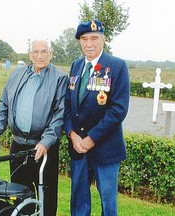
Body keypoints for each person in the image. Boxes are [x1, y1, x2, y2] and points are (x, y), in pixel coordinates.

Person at [0, 39, 68, 216]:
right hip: (18, 147)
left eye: (44, 51)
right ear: (30, 55)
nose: (40, 56)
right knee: (19, 196)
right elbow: (4, 106)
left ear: (51, 54)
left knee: (46, 197)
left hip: (43, 149)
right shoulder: (17, 75)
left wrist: (46, 142)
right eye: (35, 52)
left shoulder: (60, 78)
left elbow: (60, 115)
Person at [64, 20, 130, 216]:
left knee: (108, 205)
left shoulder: (117, 66)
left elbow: (118, 110)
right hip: (78, 148)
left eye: (94, 38)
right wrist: (72, 134)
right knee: (79, 202)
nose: (89, 43)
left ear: (103, 39)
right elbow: (68, 105)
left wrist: (91, 138)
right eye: (84, 39)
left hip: (106, 149)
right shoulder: (76, 66)